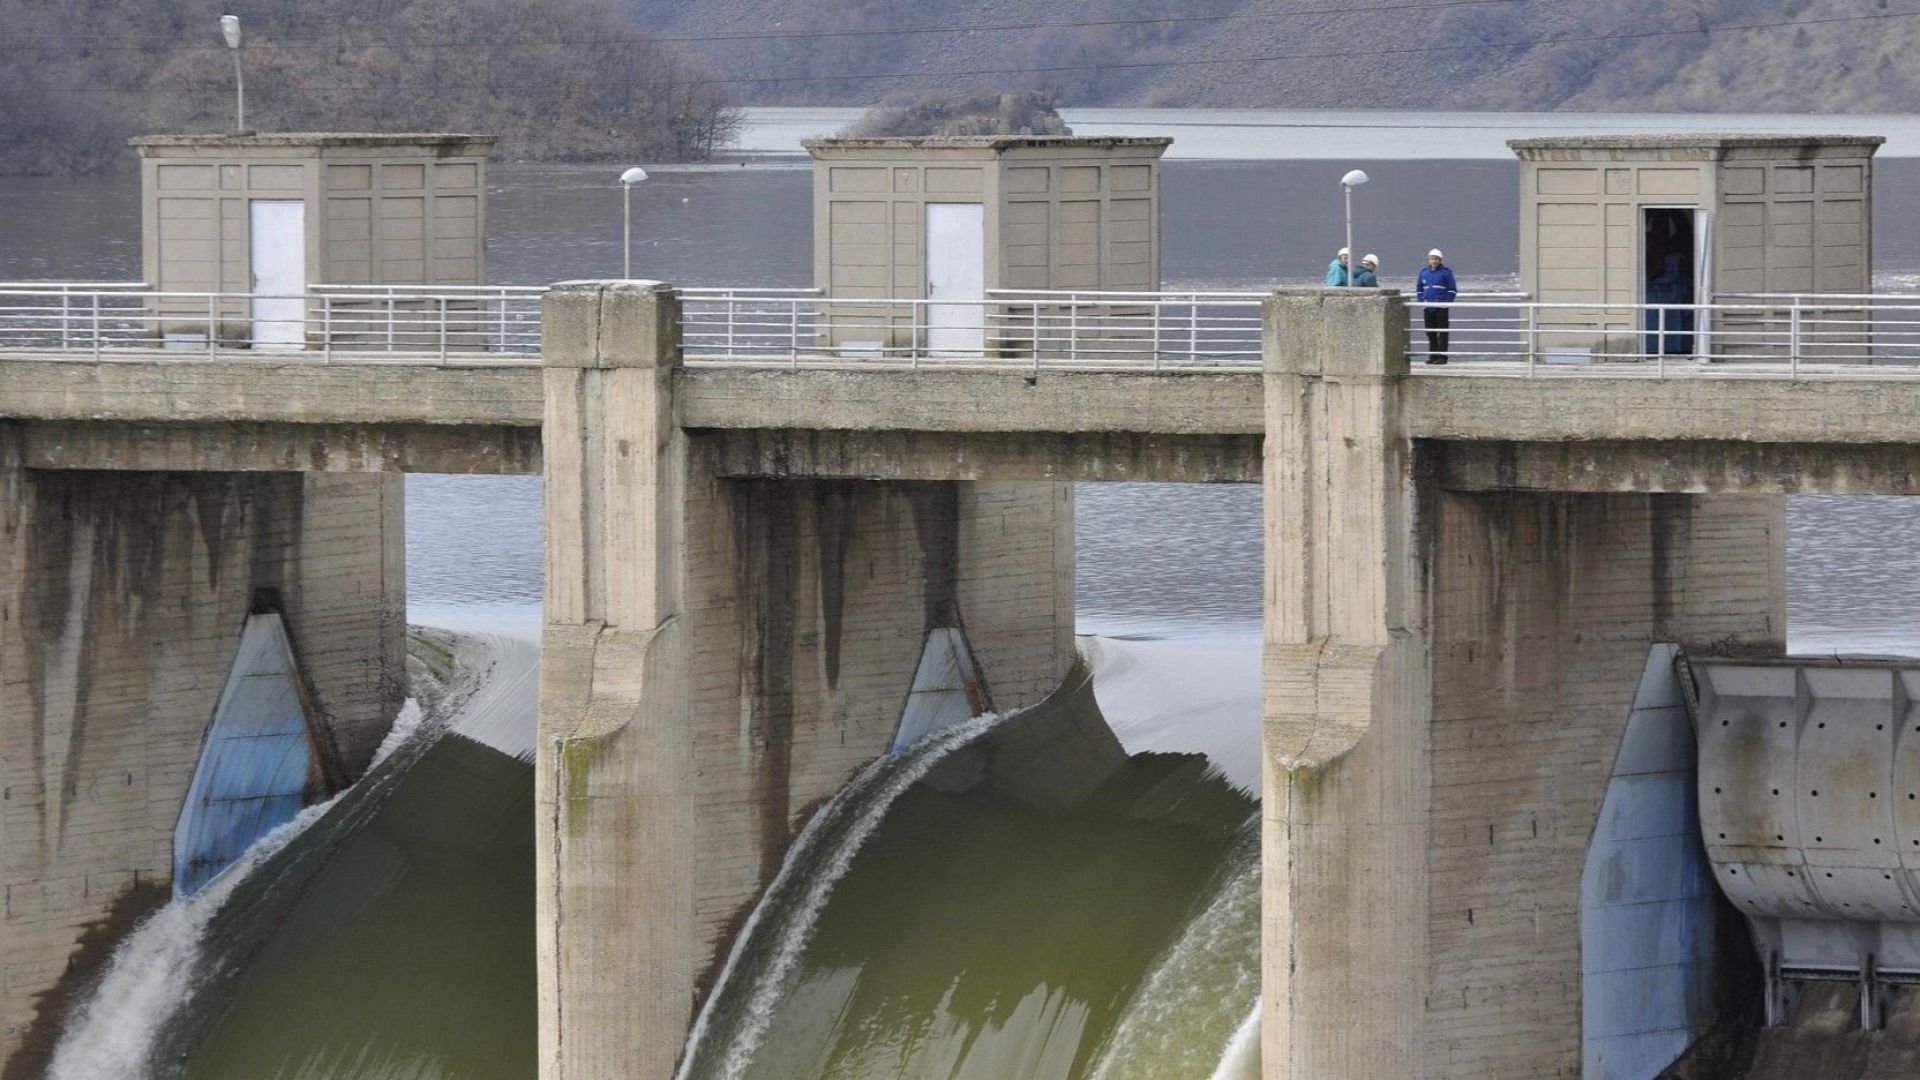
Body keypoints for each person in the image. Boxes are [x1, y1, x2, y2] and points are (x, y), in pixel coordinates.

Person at [1416, 248, 1458, 363]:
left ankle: (1442, 357)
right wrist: (1422, 302)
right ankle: (1433, 355)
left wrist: (1446, 303)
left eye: (1436, 259)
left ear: (1440, 260)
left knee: (1442, 333)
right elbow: (1419, 290)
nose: (1433, 261)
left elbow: (1452, 290)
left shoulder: (1446, 273)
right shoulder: (1423, 273)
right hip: (1428, 308)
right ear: (1428, 260)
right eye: (1431, 259)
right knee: (1430, 332)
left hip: (1441, 308)